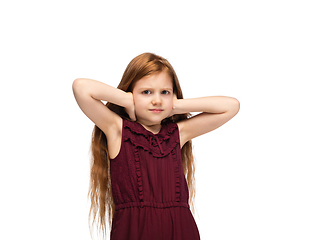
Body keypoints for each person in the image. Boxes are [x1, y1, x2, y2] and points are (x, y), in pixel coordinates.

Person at [72, 52, 240, 240]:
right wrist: (127, 100)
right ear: (129, 93)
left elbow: (231, 106)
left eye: (165, 92)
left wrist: (175, 106)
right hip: (134, 232)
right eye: (146, 92)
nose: (157, 100)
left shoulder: (177, 133)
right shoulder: (117, 130)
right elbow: (81, 87)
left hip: (181, 231)